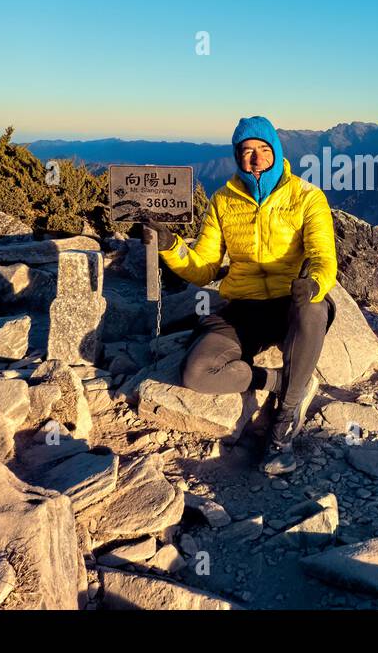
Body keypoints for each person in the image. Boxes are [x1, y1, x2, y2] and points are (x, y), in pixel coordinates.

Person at [140, 115, 338, 476]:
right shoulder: (222, 200)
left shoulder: (307, 197)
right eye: (246, 151)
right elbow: (204, 268)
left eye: (264, 150)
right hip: (243, 307)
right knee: (196, 373)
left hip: (290, 300)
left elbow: (324, 257)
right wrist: (170, 246)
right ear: (236, 156)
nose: (256, 158)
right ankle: (283, 380)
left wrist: (313, 283)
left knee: (314, 308)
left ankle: (282, 429)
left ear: (277, 152)